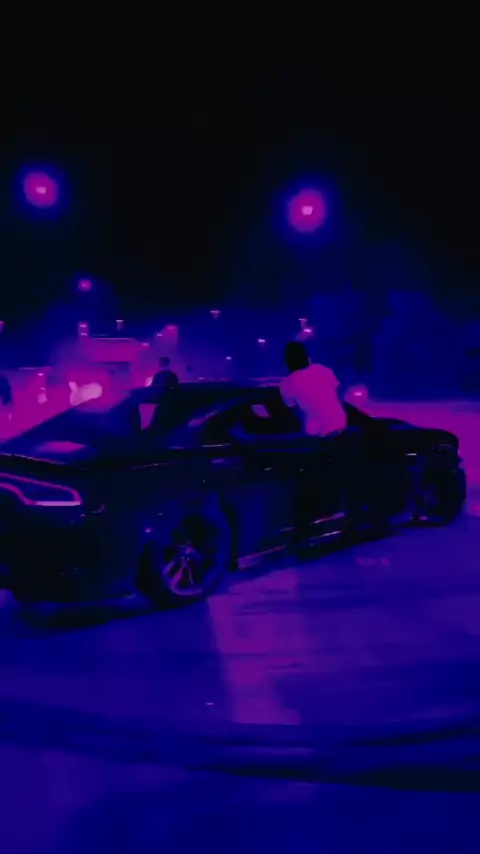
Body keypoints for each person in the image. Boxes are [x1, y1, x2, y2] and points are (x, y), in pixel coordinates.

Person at [280, 341, 347, 437]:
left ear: (287, 362)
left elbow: (295, 413)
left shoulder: (287, 384)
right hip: (341, 424)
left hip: (316, 433)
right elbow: (339, 397)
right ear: (308, 357)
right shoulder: (324, 370)